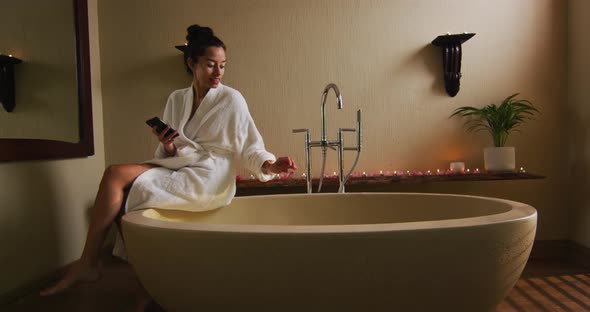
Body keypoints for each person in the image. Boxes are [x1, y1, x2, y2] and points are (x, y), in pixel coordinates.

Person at [41, 24, 297, 297]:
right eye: (211, 65)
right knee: (117, 178)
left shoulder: (232, 99)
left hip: (210, 176)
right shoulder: (177, 98)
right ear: (192, 63)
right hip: (182, 165)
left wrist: (270, 165)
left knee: (119, 181)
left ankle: (103, 268)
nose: (218, 73)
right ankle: (126, 274)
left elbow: (248, 145)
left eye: (223, 65)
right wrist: (169, 144)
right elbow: (172, 151)